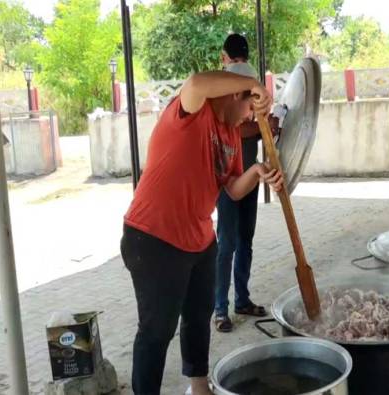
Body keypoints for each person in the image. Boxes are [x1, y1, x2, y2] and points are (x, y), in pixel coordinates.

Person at [120, 68, 283, 395]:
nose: (250, 118)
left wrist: (257, 171)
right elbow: (195, 81)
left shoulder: (232, 136)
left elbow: (234, 190)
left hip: (199, 239)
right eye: (252, 108)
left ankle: (198, 387)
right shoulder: (193, 110)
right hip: (153, 237)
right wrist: (253, 83)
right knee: (157, 330)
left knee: (198, 317)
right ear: (238, 93)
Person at [213, 33, 279, 332]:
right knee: (228, 243)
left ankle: (240, 300)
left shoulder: (245, 81)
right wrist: (261, 126)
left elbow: (251, 126)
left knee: (243, 241)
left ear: (224, 55)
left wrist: (268, 126)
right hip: (228, 176)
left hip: (249, 175)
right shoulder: (224, 85)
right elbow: (235, 129)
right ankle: (219, 308)